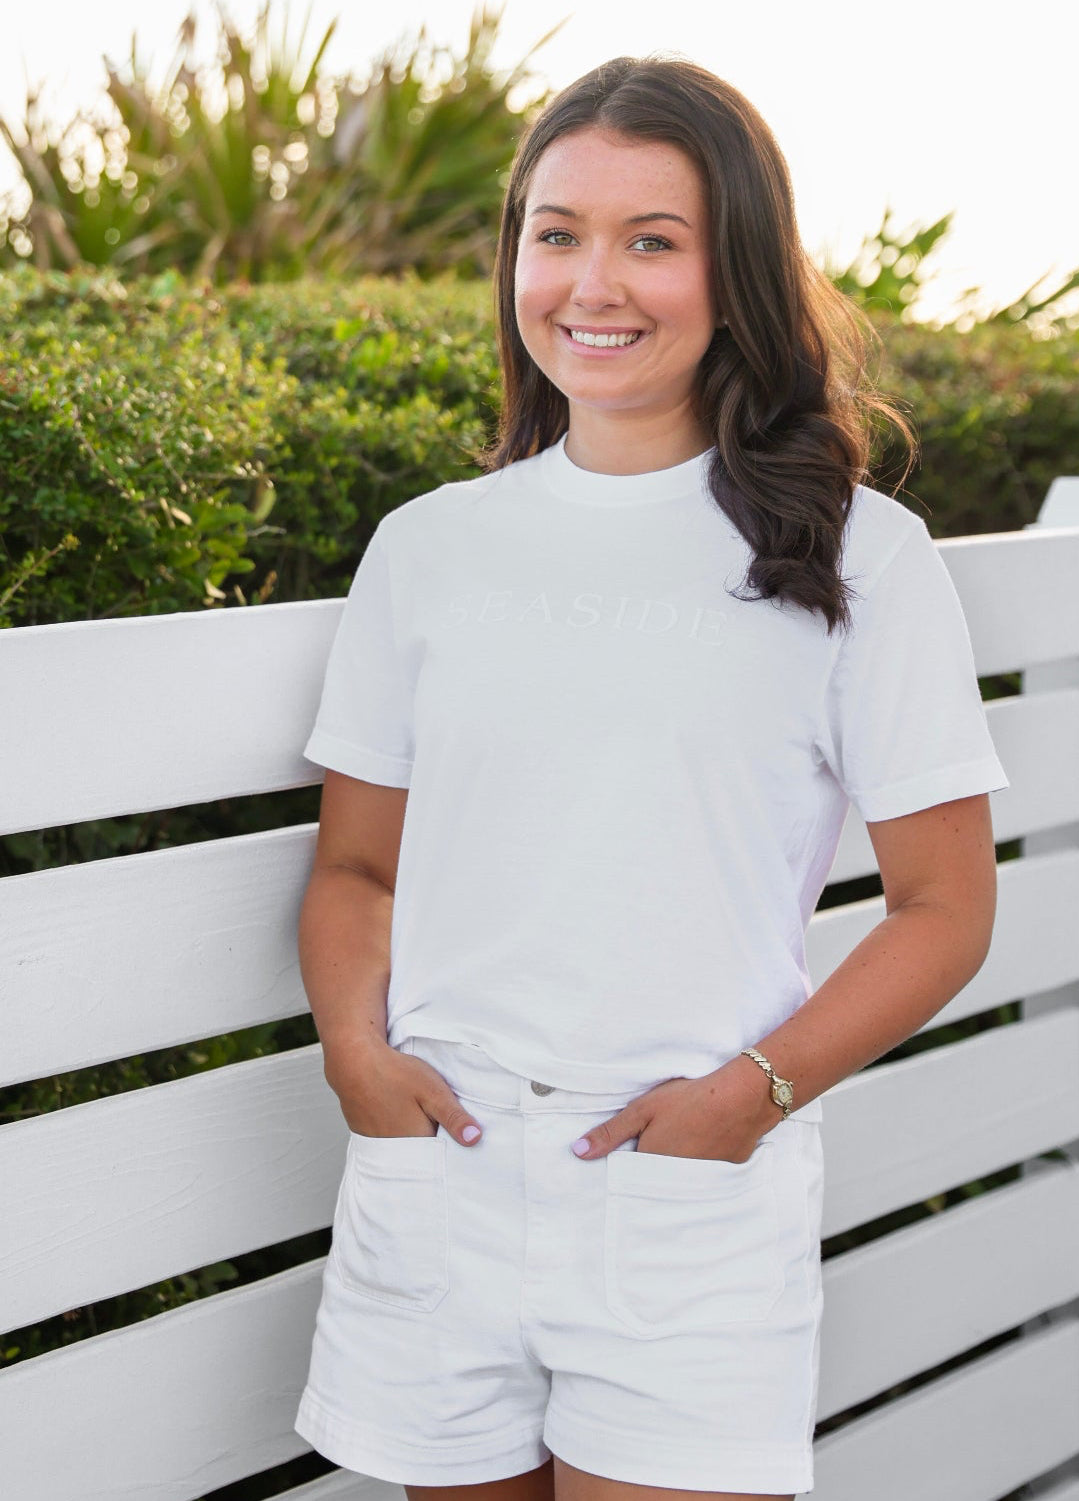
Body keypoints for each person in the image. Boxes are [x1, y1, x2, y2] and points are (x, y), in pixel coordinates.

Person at [292, 53, 1009, 1501]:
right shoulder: (429, 548)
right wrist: (357, 1058)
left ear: (735, 273)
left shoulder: (863, 558)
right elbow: (358, 866)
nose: (592, 282)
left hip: (684, 1199)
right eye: (556, 233)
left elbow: (946, 906)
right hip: (446, 1173)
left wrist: (746, 1098)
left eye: (652, 241)